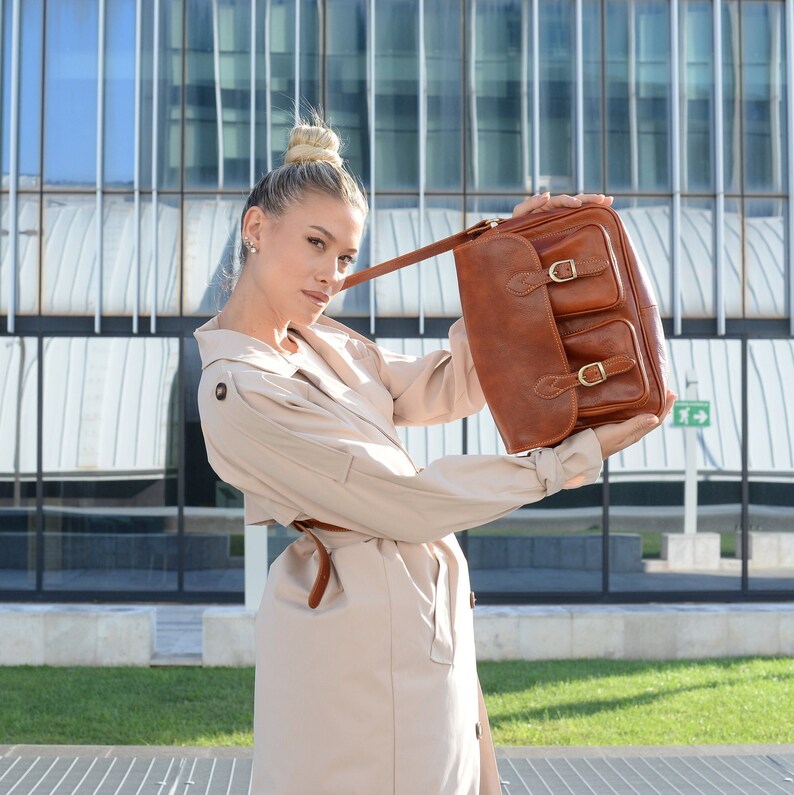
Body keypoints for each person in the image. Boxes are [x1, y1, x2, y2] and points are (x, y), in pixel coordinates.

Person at [194, 115, 675, 795]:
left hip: (419, 638)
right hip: (357, 660)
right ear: (255, 230)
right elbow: (405, 502)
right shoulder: (238, 387)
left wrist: (516, 257)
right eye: (315, 242)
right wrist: (565, 458)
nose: (331, 273)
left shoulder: (328, 345)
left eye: (346, 256)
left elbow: (451, 383)